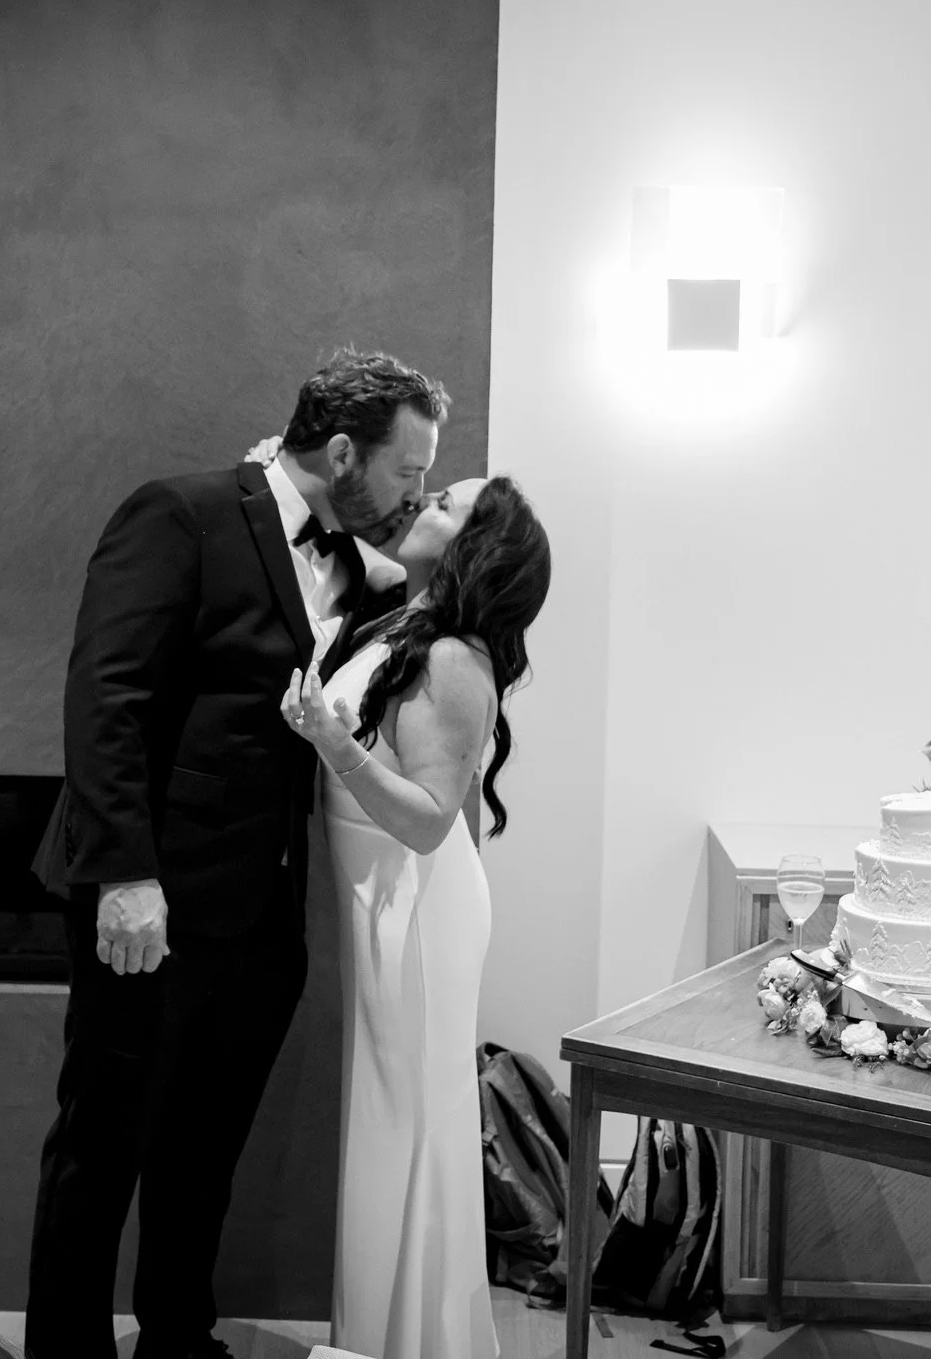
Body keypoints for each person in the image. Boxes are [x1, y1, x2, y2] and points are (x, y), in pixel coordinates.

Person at [26, 349, 448, 1359]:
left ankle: (177, 1339)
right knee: (102, 1143)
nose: (413, 493)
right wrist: (124, 876)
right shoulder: (181, 514)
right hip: (151, 900)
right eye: (405, 470)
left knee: (203, 1148)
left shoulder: (357, 565)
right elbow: (106, 699)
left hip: (263, 911)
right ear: (340, 453)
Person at [280, 476, 551, 1359]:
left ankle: (410, 1343)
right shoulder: (406, 619)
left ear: (474, 547)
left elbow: (431, 821)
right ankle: (384, 1336)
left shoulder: (454, 660)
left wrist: (333, 743)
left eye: (442, 505)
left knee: (408, 1126)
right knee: (387, 1123)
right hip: (383, 899)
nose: (419, 504)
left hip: (418, 913)